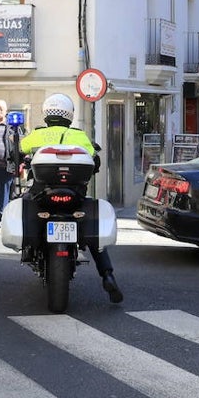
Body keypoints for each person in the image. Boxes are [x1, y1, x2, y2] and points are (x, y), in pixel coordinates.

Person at [18, 93, 122, 304]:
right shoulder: (79, 136)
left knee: (25, 204)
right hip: (75, 195)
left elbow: (19, 150)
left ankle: (31, 249)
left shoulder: (37, 135)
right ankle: (107, 276)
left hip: (42, 194)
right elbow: (95, 159)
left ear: (46, 114)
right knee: (95, 237)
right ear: (70, 115)